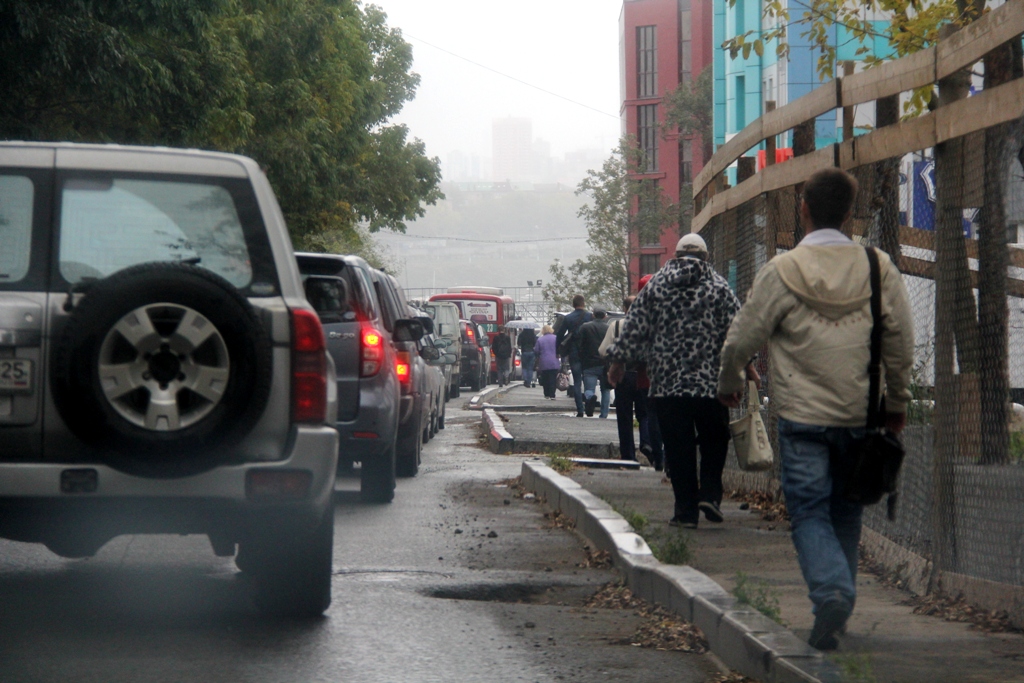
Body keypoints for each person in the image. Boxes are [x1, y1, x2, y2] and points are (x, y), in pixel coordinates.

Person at [717, 168, 914, 650]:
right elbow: (900, 341)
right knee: (846, 512)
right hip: (861, 416)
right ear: (849, 214)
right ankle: (838, 605)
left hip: (802, 418)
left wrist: (730, 383)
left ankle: (831, 594)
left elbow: (741, 338)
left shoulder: (782, 272)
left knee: (808, 511)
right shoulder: (877, 268)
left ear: (802, 208)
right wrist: (897, 404)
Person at [607, 234, 750, 529]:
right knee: (715, 438)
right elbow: (739, 331)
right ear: (705, 257)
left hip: (668, 385)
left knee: (678, 447)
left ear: (676, 254)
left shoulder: (657, 286)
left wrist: (618, 362)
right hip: (711, 384)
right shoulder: (719, 287)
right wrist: (744, 368)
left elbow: (634, 328)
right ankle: (710, 493)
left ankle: (685, 512)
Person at [600, 296, 648, 461]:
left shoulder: (617, 325)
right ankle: (646, 442)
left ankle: (628, 455)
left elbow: (603, 350)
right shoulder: (649, 323)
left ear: (625, 308)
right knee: (645, 413)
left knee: (625, 417)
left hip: (624, 375)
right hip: (644, 375)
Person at [556, 294, 593, 417]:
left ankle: (580, 410)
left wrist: (558, 351)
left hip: (574, 352)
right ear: (584, 303)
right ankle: (589, 401)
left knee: (577, 381)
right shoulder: (589, 317)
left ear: (573, 304)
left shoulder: (568, 318)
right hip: (588, 353)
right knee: (588, 379)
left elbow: (560, 335)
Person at [577, 306, 612, 417]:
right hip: (605, 364)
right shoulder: (609, 328)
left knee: (589, 389)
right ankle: (604, 414)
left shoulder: (585, 327)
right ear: (605, 316)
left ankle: (590, 397)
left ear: (593, 315)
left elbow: (580, 344)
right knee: (605, 390)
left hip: (589, 363)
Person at [534, 324, 560, 399]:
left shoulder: (540, 339)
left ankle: (546, 394)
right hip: (554, 361)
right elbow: (560, 349)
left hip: (544, 362)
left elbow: (536, 351)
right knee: (553, 378)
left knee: (545, 378)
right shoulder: (556, 338)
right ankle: (552, 394)